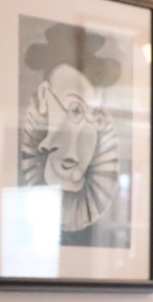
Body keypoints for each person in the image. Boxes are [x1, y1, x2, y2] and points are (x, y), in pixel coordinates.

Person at [18, 24, 122, 233]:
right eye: (74, 110)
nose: (79, 133)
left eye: (93, 118)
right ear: (45, 98)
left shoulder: (105, 233)